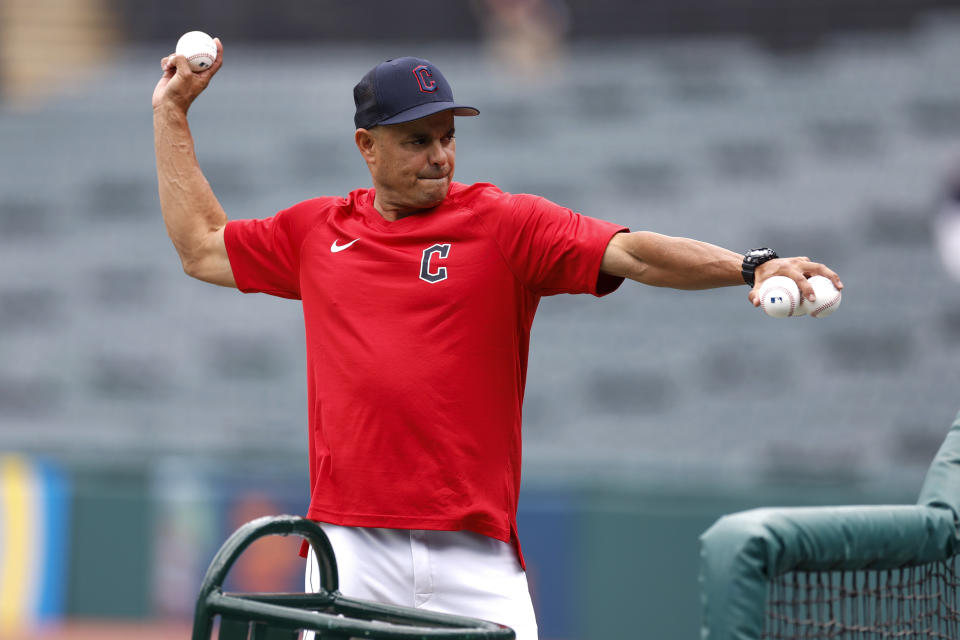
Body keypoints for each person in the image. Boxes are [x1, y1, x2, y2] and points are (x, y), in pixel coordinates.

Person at [152, 43, 842, 640]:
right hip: (353, 544)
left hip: (474, 553)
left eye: (447, 136)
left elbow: (634, 253)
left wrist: (749, 266)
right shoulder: (316, 232)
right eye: (416, 140)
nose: (439, 155)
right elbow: (201, 247)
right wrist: (171, 113)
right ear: (366, 145)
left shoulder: (504, 225)